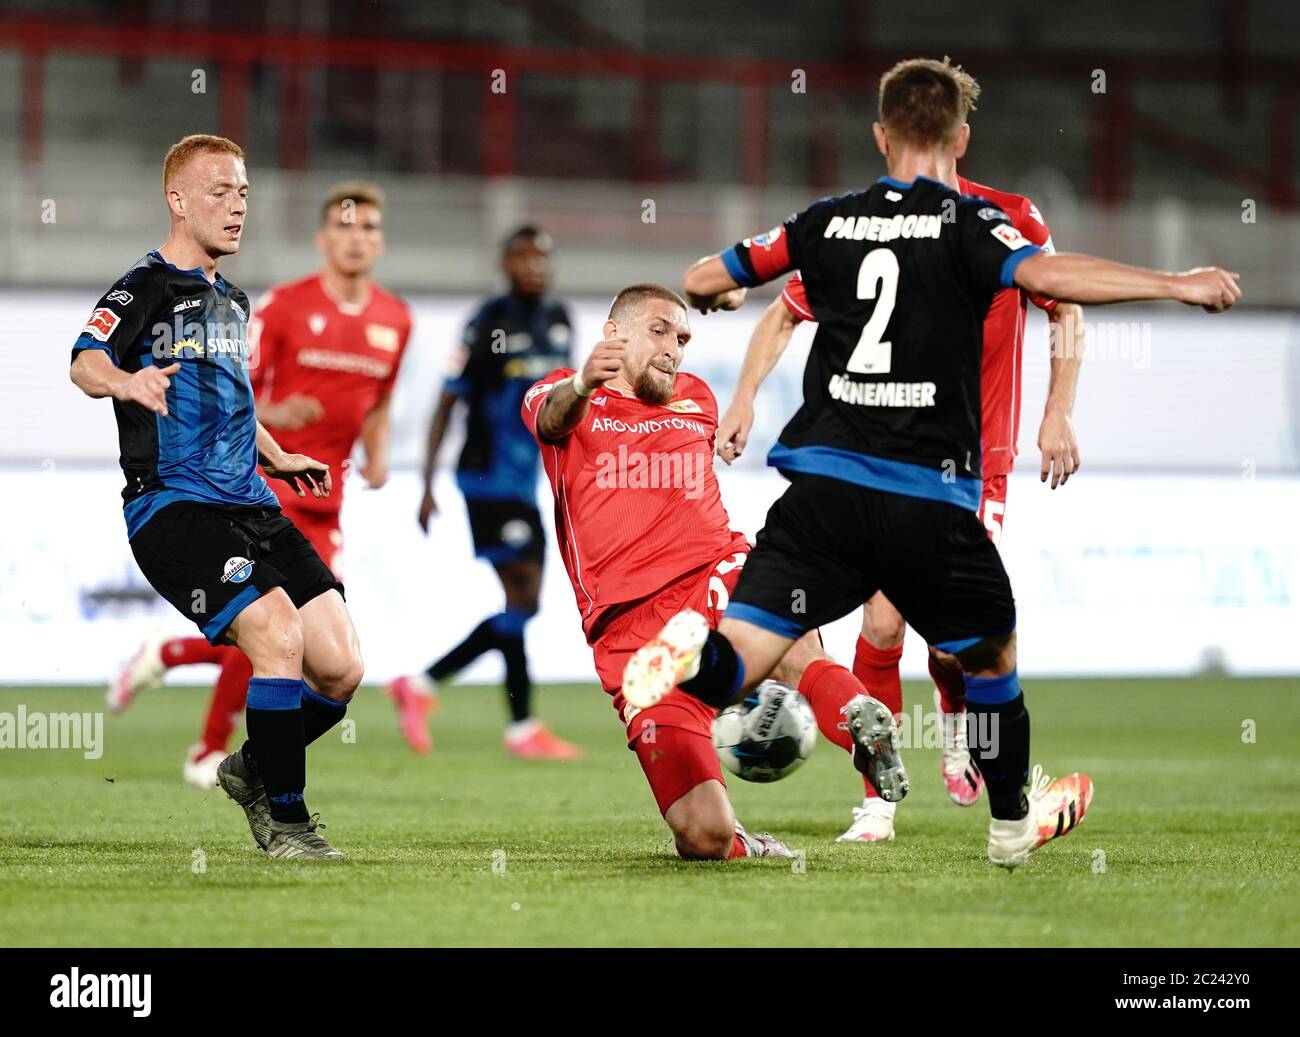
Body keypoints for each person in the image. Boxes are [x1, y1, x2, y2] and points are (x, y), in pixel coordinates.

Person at [621, 57, 1240, 869]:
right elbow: (1053, 278)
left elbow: (708, 276)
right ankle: (1011, 819)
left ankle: (688, 662)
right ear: (958, 137)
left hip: (823, 494)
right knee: (990, 654)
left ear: (879, 135)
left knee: (741, 657)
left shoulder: (827, 220)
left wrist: (710, 294)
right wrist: (1176, 283)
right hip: (928, 493)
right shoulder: (976, 225)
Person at [714, 173, 1083, 842]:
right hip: (881, 457)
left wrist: (1058, 411)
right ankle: (878, 804)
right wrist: (743, 396)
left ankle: (955, 711)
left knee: (952, 647)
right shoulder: (865, 224)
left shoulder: (1008, 217)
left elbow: (1066, 306)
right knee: (882, 624)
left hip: (971, 463)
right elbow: (785, 310)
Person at [522, 283, 902, 860]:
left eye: (682, 338)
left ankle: (858, 722)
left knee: (789, 642)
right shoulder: (560, 393)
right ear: (612, 334)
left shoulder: (693, 397)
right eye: (659, 332)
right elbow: (551, 423)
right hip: (628, 630)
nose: (674, 348)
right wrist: (583, 383)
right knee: (705, 836)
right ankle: (740, 828)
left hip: (714, 570)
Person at [71, 134, 367, 859]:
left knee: (340, 664)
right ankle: (287, 820)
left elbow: (229, 400)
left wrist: (277, 452)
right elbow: (86, 361)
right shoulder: (142, 287)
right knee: (278, 638)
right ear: (177, 200)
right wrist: (127, 381)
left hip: (253, 502)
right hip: (173, 508)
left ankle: (250, 766)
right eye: (219, 192)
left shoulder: (231, 300)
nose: (237, 207)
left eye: (243, 193)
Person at [110, 182, 411, 790]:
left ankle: (174, 665)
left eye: (370, 228)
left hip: (322, 493)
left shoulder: (394, 319)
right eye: (346, 227)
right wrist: (278, 415)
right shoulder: (281, 305)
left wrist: (376, 454)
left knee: (313, 650)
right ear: (324, 238)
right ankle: (218, 754)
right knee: (276, 631)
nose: (358, 239)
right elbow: (233, 390)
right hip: (247, 490)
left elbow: (378, 402)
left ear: (381, 241)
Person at [388, 227, 579, 759]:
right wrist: (426, 484)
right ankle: (485, 710)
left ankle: (441, 694)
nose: (534, 265)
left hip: (525, 479)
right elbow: (448, 402)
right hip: (486, 477)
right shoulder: (487, 322)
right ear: (504, 263)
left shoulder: (561, 319)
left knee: (521, 604)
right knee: (523, 599)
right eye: (522, 256)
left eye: (542, 256)